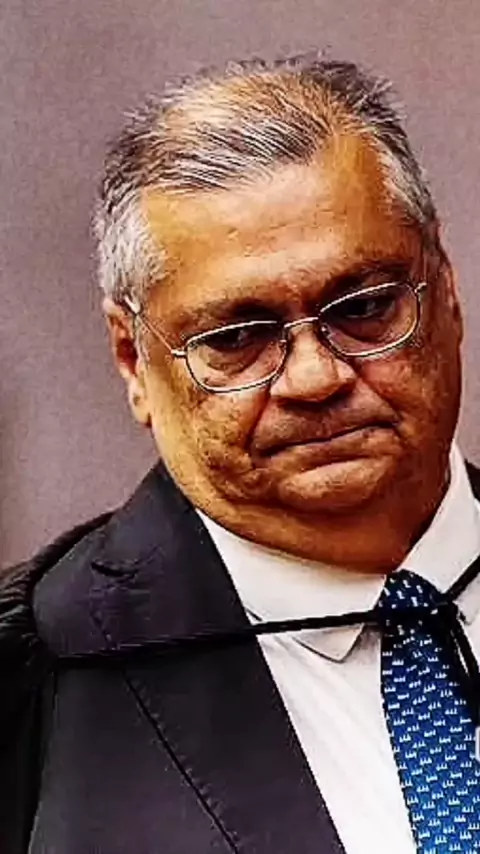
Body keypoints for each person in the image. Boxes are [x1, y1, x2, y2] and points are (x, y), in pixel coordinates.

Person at [2, 52, 480, 854]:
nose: (316, 377)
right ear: (132, 360)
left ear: (446, 287)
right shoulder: (35, 680)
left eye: (364, 306)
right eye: (236, 338)